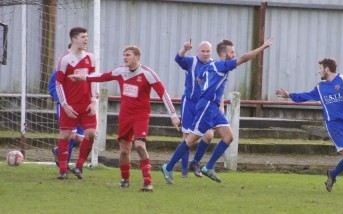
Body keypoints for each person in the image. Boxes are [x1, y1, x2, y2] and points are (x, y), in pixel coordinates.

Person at [161, 38, 273, 184]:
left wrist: (209, 91)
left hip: (213, 107)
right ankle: (168, 167)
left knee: (228, 137)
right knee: (190, 140)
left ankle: (208, 167)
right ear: (224, 54)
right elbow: (244, 58)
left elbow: (200, 79)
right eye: (232, 52)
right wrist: (262, 47)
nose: (234, 54)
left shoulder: (211, 65)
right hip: (207, 107)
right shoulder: (222, 64)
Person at [69, 45, 180, 191]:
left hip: (141, 115)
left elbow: (163, 93)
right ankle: (125, 180)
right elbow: (103, 76)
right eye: (124, 55)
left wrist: (173, 115)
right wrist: (82, 78)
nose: (125, 57)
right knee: (123, 150)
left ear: (137, 57)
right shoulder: (121, 71)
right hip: (125, 115)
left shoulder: (147, 73)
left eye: (128, 55)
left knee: (140, 146)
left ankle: (148, 182)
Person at [276, 58, 343, 196]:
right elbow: (306, 96)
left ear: (326, 69)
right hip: (333, 125)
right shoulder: (321, 87)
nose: (319, 71)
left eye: (320, 68)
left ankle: (332, 173)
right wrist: (289, 95)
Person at [55, 27, 98, 180]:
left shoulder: (90, 57)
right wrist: (65, 105)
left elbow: (94, 79)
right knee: (66, 136)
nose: (86, 39)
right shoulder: (65, 59)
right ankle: (62, 170)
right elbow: (58, 84)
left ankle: (79, 167)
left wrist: (93, 101)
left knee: (91, 133)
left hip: (86, 104)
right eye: (83, 37)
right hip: (71, 106)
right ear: (74, 39)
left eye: (87, 36)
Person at [175, 39, 217, 178]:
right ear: (198, 51)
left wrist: (220, 106)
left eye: (208, 51)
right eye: (203, 51)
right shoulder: (191, 62)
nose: (205, 54)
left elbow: (218, 87)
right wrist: (184, 48)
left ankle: (196, 162)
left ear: (211, 52)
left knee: (209, 135)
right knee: (187, 137)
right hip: (190, 103)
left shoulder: (214, 65)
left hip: (205, 106)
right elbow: (178, 58)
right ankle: (184, 171)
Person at [48, 68, 84, 169]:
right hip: (65, 106)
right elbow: (52, 87)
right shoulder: (62, 68)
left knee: (79, 139)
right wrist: (63, 100)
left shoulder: (85, 67)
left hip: (81, 106)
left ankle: (58, 151)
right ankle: (64, 167)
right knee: (70, 135)